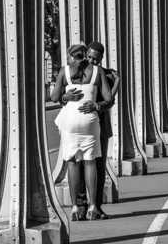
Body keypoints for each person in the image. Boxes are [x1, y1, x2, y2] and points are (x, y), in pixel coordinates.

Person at [51, 44, 112, 221]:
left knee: (72, 162)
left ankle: (76, 208)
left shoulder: (64, 72)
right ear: (86, 56)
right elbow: (108, 99)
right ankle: (93, 207)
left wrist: (65, 97)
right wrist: (95, 105)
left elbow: (54, 97)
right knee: (90, 162)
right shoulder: (97, 71)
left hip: (70, 120)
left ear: (70, 56)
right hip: (90, 120)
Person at [63, 42, 120, 219]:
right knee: (77, 165)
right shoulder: (75, 71)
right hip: (79, 127)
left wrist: (117, 82)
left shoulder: (106, 74)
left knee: (99, 167)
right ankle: (81, 206)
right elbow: (61, 97)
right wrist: (66, 96)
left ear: (101, 58)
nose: (92, 60)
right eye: (89, 57)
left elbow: (110, 100)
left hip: (100, 126)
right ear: (85, 54)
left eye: (96, 58)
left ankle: (96, 207)